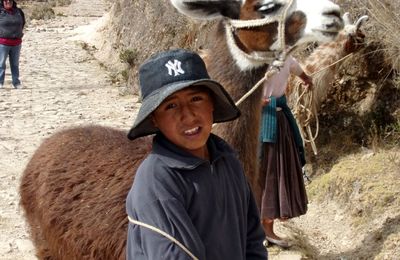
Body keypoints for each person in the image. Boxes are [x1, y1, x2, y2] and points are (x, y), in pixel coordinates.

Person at [125, 49, 268, 260]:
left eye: (196, 98)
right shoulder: (157, 181)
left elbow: (252, 239)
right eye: (171, 105)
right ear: (154, 118)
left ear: (211, 103)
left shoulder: (227, 160)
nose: (188, 115)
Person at [259, 55, 313, 248]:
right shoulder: (278, 58)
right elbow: (303, 75)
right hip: (263, 121)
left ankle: (265, 229)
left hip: (274, 120)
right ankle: (262, 229)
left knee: (270, 172)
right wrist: (307, 80)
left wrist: (306, 79)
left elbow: (301, 73)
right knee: (267, 172)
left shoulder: (268, 58)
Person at [0, 0, 25, 89]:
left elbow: (23, 23)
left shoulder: (19, 12)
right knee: (1, 63)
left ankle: (16, 82)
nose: (8, 1)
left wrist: (18, 33)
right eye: (5, 0)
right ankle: (0, 82)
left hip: (16, 43)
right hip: (2, 43)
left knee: (15, 64)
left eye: (10, 0)